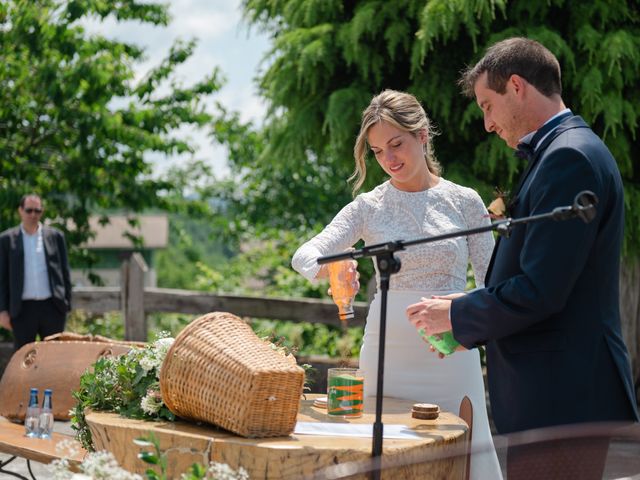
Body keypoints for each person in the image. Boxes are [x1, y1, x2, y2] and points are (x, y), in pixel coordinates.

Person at [406, 37, 639, 477]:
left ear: (516, 85)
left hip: (562, 394)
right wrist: (461, 313)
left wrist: (458, 317)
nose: (487, 124)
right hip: (559, 390)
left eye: (487, 106)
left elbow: (541, 290)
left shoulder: (568, 157)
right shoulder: (563, 151)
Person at [292, 90, 502, 479]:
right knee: (386, 459)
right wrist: (333, 268)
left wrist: (462, 311)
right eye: (376, 151)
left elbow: (494, 284)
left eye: (396, 144)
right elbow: (304, 256)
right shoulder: (368, 206)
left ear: (422, 136)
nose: (388, 159)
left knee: (463, 459)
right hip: (387, 351)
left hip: (451, 348)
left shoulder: (465, 201)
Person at [0, 194, 72, 350]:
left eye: (37, 211)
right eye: (29, 210)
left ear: (42, 211)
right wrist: (2, 310)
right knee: (24, 359)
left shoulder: (55, 236)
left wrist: (67, 303)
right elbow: (2, 278)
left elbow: (65, 272)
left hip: (52, 307)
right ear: (20, 211)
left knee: (55, 357)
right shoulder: (6, 239)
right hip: (22, 310)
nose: (33, 215)